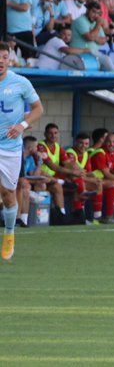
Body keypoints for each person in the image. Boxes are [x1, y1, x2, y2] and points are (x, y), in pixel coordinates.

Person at [0, 43, 43, 259]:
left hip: (10, 148)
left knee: (8, 196)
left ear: (9, 59)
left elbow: (38, 108)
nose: (0, 61)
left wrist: (22, 126)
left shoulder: (20, 82)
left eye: (4, 57)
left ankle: (9, 234)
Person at [71, 1, 114, 71]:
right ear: (87, 10)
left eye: (98, 13)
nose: (95, 15)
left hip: (93, 54)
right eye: (93, 12)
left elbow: (104, 40)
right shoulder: (80, 21)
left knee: (111, 63)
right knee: (107, 60)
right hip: (80, 53)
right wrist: (98, 25)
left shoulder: (95, 22)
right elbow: (90, 38)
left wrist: (94, 37)